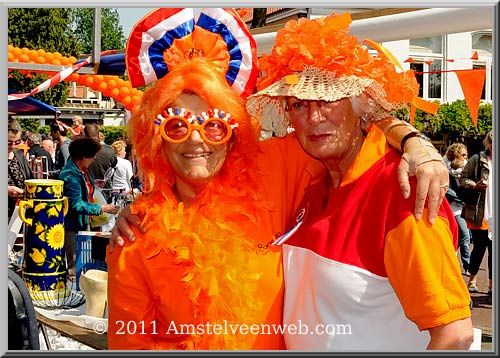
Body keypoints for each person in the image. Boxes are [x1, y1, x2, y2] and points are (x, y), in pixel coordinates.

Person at [107, 8, 451, 351]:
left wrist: (412, 141)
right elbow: (129, 344)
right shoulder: (136, 240)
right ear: (157, 140)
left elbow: (343, 125)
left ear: (232, 133)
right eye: (176, 125)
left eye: (213, 125)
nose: (195, 140)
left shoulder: (271, 168)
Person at [245, 12, 473, 350]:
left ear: (360, 105)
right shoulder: (313, 180)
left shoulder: (400, 188)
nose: (314, 117)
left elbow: (455, 335)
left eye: (329, 99)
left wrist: (414, 141)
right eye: (299, 104)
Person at [58, 137, 119, 280]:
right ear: (82, 157)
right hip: (73, 224)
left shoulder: (81, 171)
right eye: (92, 157)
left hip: (83, 223)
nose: (94, 160)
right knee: (75, 268)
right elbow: (76, 204)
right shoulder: (70, 175)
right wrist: (101, 208)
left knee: (85, 261)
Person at [460, 130, 493, 294]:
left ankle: (492, 285)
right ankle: (472, 280)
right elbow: (463, 178)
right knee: (479, 248)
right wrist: (475, 185)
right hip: (480, 211)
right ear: (488, 142)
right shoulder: (478, 159)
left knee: (494, 250)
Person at [444, 143, 471, 274]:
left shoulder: (466, 167)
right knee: (463, 235)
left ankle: (460, 264)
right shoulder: (444, 167)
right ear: (456, 155)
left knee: (461, 236)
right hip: (451, 207)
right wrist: (461, 200)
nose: (466, 157)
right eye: (463, 154)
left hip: (464, 206)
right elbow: (446, 189)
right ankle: (466, 266)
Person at [83, 123, 118, 198]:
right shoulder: (110, 151)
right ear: (99, 135)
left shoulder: (78, 153)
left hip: (85, 194)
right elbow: (114, 166)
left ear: (84, 136)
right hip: (104, 193)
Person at [8, 117, 33, 221]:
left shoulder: (19, 155)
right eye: (9, 142)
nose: (13, 146)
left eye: (17, 142)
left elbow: (29, 179)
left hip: (19, 214)